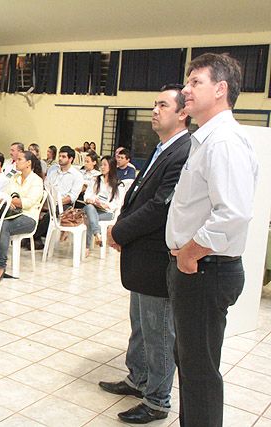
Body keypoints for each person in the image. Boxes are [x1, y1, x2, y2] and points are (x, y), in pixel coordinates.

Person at [166, 53, 258, 427]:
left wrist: (189, 253)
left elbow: (232, 213)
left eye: (195, 82)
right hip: (197, 269)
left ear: (221, 89)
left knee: (200, 372)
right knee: (189, 364)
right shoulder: (205, 139)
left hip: (205, 269)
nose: (185, 90)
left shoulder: (224, 141)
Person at [99, 84, 192, 424]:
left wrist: (120, 230)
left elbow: (160, 207)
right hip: (142, 254)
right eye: (154, 104)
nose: (154, 110)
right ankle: (138, 378)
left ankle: (157, 400)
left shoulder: (183, 151)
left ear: (183, 113)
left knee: (158, 332)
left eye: (163, 105)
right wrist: (120, 223)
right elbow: (138, 196)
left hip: (157, 256)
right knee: (140, 323)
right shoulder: (162, 148)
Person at [0, 151, 43, 282]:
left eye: (20, 159)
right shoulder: (14, 178)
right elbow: (3, 195)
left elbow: (28, 203)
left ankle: (0, 266)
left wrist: (10, 201)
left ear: (28, 163)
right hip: (11, 214)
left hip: (29, 217)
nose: (16, 161)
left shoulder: (36, 180)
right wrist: (10, 200)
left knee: (3, 226)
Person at [35, 146, 84, 248]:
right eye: (59, 156)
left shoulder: (77, 175)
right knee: (32, 208)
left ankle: (32, 236)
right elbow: (46, 185)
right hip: (47, 200)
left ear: (70, 159)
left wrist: (56, 202)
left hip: (64, 204)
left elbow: (72, 197)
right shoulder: (53, 169)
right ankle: (36, 238)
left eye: (63, 156)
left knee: (51, 214)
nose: (60, 158)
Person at [83, 156, 122, 255]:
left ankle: (87, 246)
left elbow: (118, 202)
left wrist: (105, 205)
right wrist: (89, 199)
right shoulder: (96, 179)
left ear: (111, 166)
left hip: (107, 212)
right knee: (90, 208)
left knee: (89, 218)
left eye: (105, 165)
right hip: (93, 207)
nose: (102, 167)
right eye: (101, 164)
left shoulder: (118, 184)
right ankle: (97, 234)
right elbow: (87, 194)